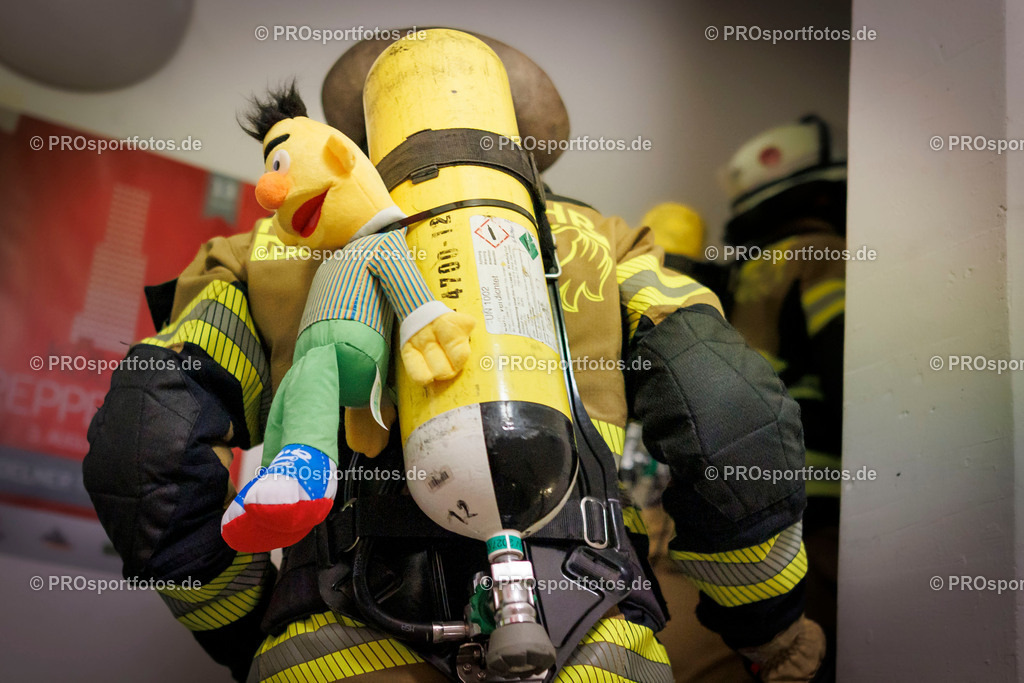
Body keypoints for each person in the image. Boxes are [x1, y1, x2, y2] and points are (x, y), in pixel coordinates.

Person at [83, 32, 827, 683]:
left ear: (350, 137)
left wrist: (251, 632)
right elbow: (730, 410)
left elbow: (145, 446)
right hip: (595, 637)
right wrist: (771, 627)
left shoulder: (263, 252)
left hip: (330, 641)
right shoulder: (603, 241)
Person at [720, 115, 848, 669]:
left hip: (743, 507)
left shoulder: (741, 275)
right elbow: (848, 373)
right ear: (824, 191)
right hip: (824, 513)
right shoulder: (825, 255)